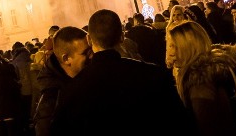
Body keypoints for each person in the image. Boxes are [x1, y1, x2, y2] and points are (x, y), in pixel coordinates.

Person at [49, 9, 187, 134]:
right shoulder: (154, 74)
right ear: (122, 36)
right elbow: (179, 122)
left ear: (89, 40)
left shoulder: (71, 92)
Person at [167, 20, 236, 136]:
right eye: (170, 46)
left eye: (174, 46)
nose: (171, 52)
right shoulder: (210, 72)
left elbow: (209, 127)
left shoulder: (199, 82)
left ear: (188, 47)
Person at [33, 26, 91, 136]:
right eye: (85, 53)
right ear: (66, 59)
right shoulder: (52, 100)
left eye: (91, 50)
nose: (92, 56)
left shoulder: (85, 78)